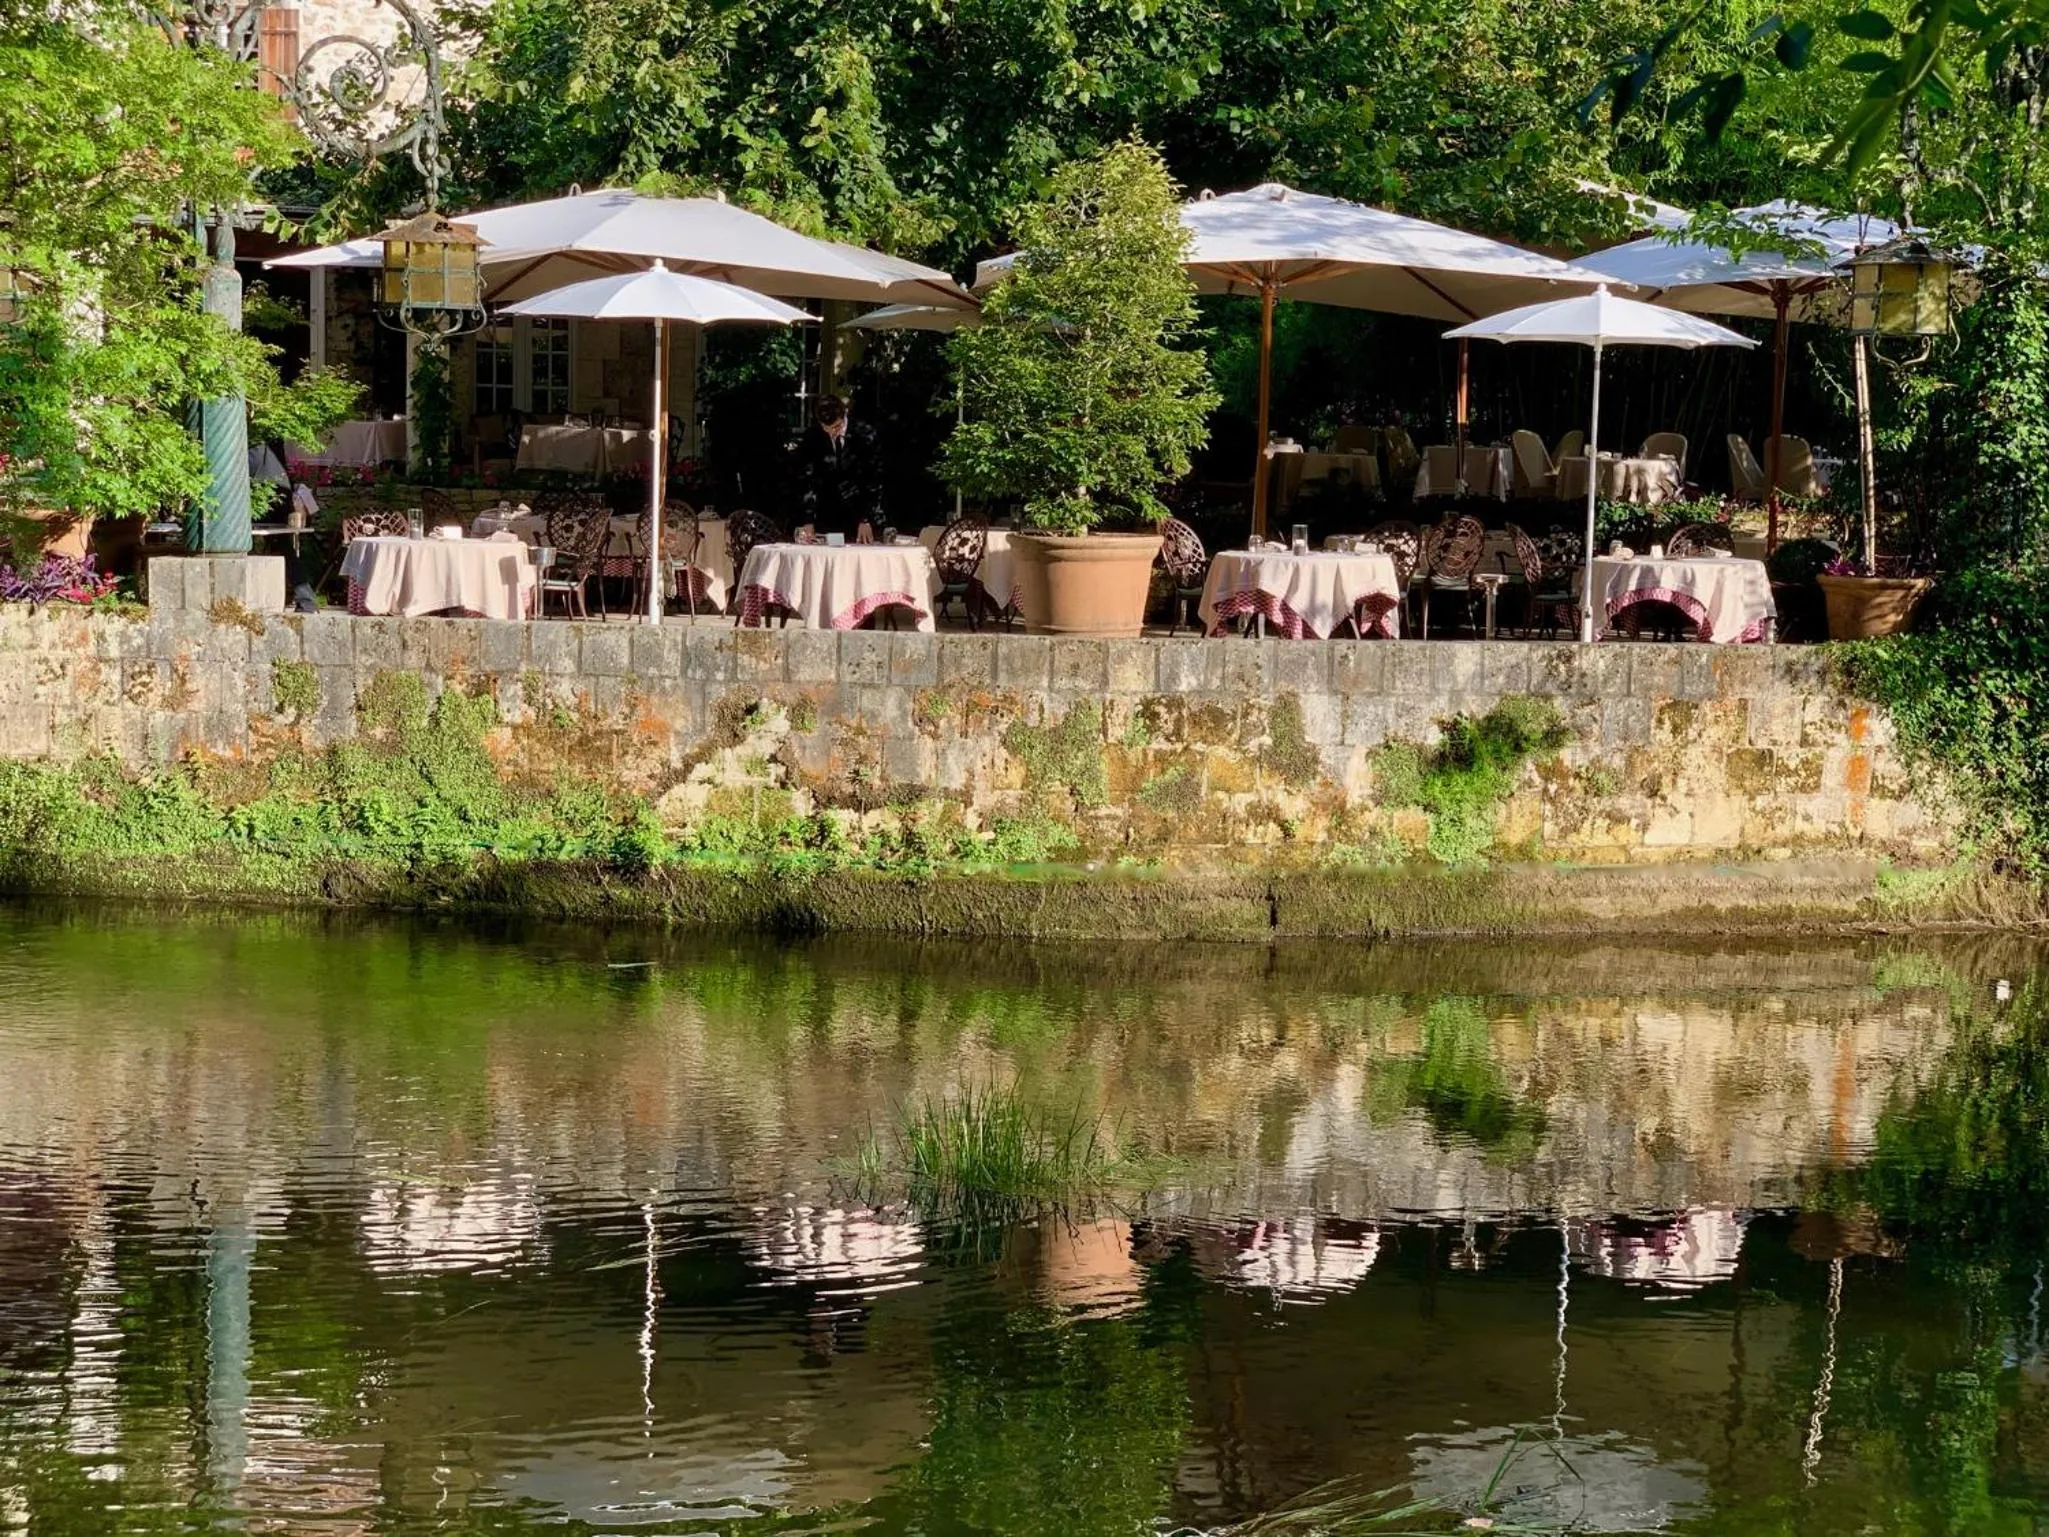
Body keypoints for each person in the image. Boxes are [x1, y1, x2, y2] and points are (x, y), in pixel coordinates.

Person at [796, 395, 882, 542]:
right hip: (827, 515)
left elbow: (873, 480)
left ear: (844, 416)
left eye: (836, 427)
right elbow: (807, 480)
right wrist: (808, 520)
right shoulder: (812, 437)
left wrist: (865, 518)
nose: (832, 433)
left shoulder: (865, 435)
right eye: (826, 429)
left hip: (859, 513)